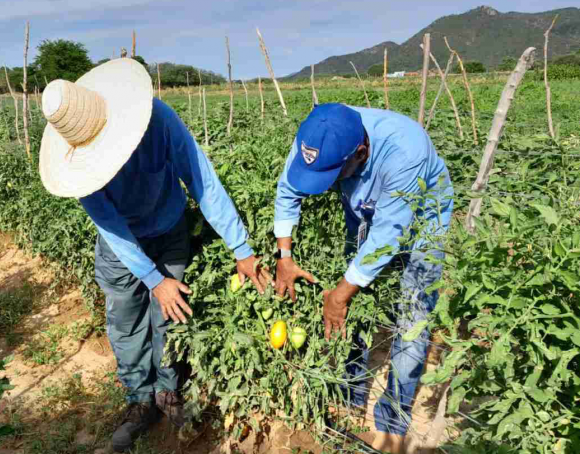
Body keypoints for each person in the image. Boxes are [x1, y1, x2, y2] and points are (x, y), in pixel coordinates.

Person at [38, 58, 271, 452]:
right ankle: (138, 401)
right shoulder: (76, 165)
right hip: (121, 245)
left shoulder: (158, 120)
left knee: (170, 314)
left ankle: (167, 391)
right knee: (125, 321)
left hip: (168, 229)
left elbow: (202, 180)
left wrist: (241, 248)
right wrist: (152, 279)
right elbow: (110, 225)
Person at [273, 103, 453, 453]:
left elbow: (389, 233)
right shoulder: (318, 136)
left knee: (412, 320)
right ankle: (350, 393)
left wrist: (338, 294)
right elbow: (288, 191)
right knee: (352, 302)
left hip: (422, 222)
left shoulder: (405, 151)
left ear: (361, 152)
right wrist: (285, 256)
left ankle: (393, 426)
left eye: (332, 173)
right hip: (365, 209)